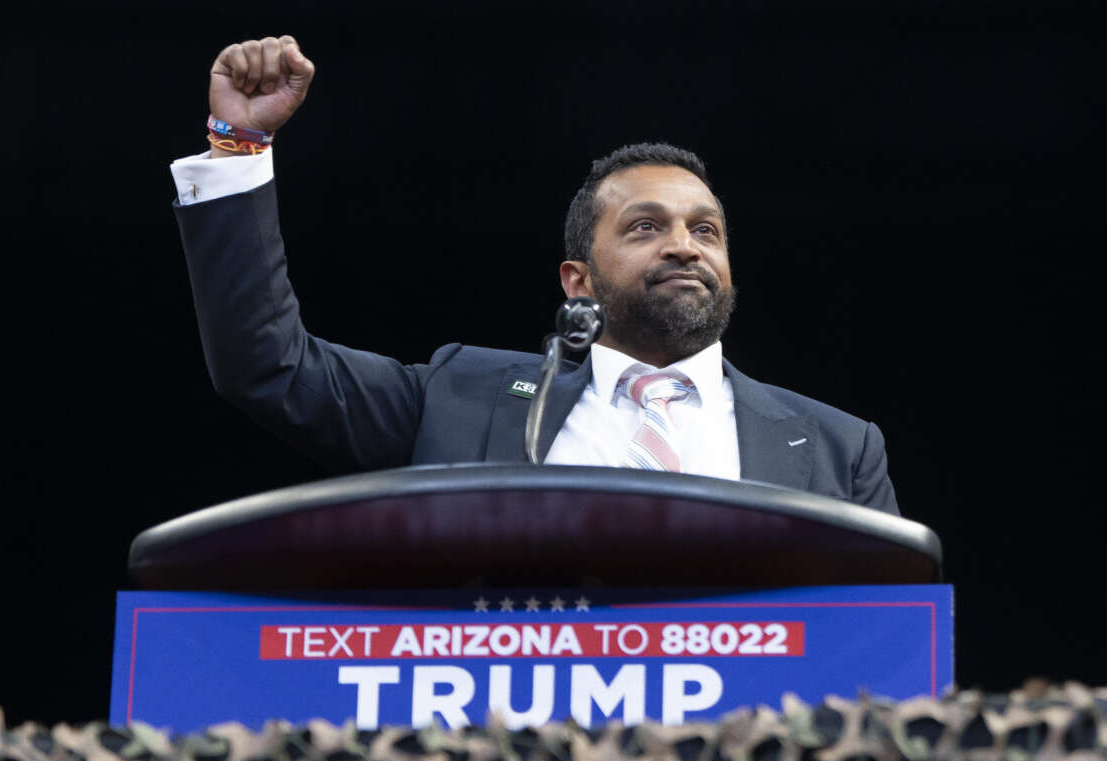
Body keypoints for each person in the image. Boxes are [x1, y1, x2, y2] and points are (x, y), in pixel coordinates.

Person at [170, 35, 899, 515]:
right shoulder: (458, 398)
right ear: (576, 280)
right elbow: (267, 364)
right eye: (645, 226)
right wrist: (239, 145)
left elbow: (887, 635)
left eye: (704, 230)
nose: (684, 245)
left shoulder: (838, 448)